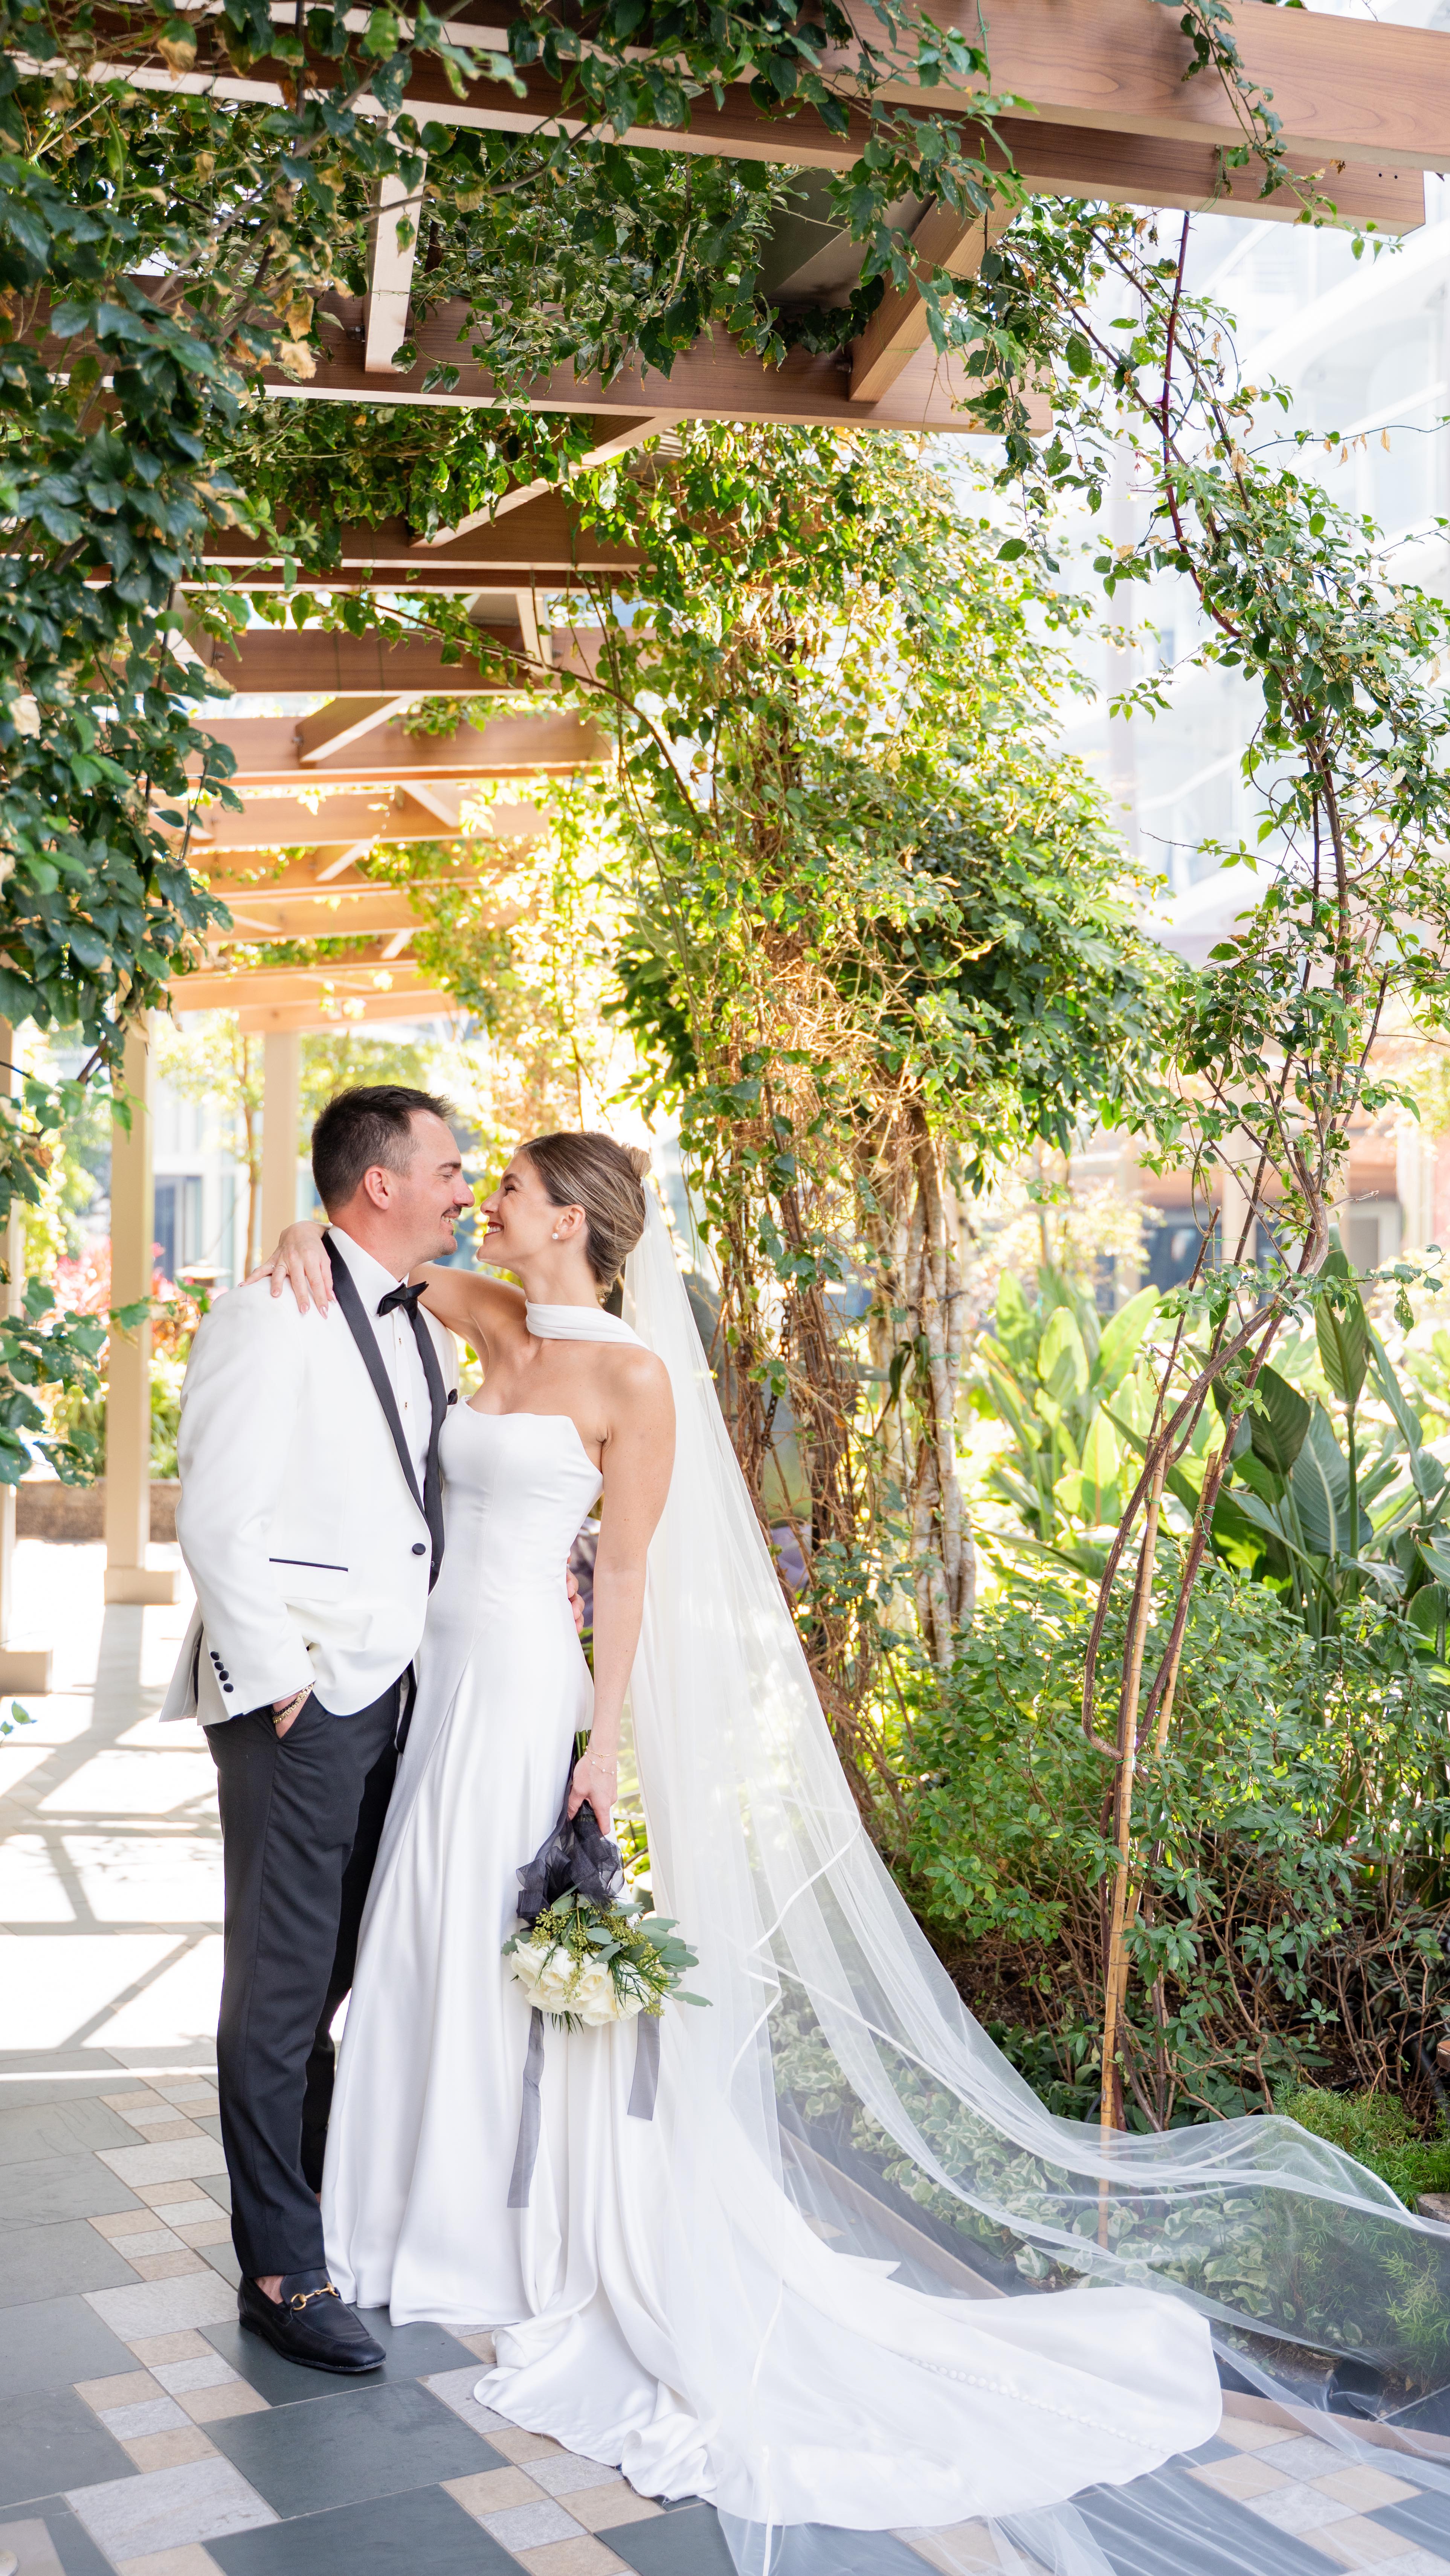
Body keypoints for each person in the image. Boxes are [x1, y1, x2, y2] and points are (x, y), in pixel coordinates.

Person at [256, 1131, 1264, 2574]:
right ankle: (396, 2208)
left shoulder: (633, 1379)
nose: (490, 1203)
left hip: (527, 1688)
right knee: (420, 1939)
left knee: (483, 1944)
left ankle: (479, 2232)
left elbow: (628, 1569)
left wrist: (602, 1745)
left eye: (516, 1190)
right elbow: (372, 1265)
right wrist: (305, 1232)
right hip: (435, 1683)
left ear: (574, 1221)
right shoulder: (489, 1312)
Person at [161, 1086, 470, 2374]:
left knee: (346, 1966)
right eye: (448, 1167)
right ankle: (284, 2272)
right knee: (281, 1986)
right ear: (380, 1182)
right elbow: (214, 1510)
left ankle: (324, 2195)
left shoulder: (423, 1311)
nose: (466, 1187)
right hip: (304, 1697)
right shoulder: (266, 1312)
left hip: (397, 1692)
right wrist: (280, 1676)